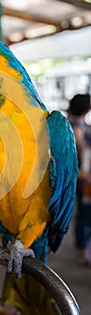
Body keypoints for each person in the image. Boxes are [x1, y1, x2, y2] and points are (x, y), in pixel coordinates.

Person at [67, 93, 91, 266]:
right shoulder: (76, 127)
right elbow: (82, 154)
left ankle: (83, 249)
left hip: (81, 176)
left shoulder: (77, 123)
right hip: (82, 178)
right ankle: (82, 251)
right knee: (84, 214)